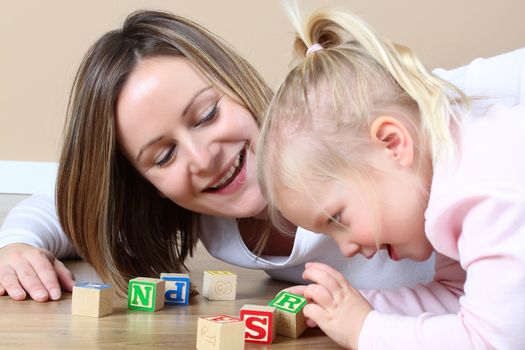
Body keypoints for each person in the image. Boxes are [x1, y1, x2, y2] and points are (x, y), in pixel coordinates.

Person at [0, 10, 523, 306]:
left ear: (238, 86)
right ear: (143, 184)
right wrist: (16, 245)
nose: (204, 157)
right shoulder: (212, 229)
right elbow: (65, 202)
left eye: (206, 116)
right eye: (163, 156)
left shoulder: (369, 119)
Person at [257, 5, 525, 350]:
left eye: (337, 218)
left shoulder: (482, 191)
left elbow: (495, 341)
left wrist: (363, 330)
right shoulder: (445, 179)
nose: (346, 248)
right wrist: (348, 307)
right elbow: (458, 296)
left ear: (392, 144)